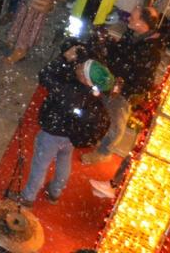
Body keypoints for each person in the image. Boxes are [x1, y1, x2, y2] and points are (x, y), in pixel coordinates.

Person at [18, 52, 114, 206]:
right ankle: (55, 191)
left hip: (53, 133)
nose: (78, 65)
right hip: (71, 136)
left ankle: (28, 197)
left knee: (40, 165)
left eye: (82, 67)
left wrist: (63, 59)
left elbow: (45, 76)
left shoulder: (70, 91)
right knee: (63, 159)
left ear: (84, 78)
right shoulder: (93, 93)